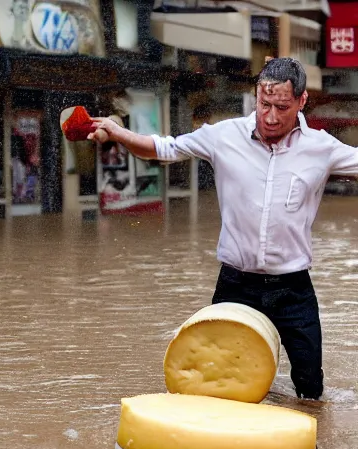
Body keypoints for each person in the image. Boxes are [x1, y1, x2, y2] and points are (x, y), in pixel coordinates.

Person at [87, 57, 358, 400]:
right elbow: (163, 148)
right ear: (256, 97)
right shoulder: (223, 136)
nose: (271, 116)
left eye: (282, 107)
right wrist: (118, 133)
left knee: (310, 388)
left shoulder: (321, 148)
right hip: (236, 285)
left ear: (302, 101)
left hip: (294, 290)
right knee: (221, 379)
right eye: (264, 105)